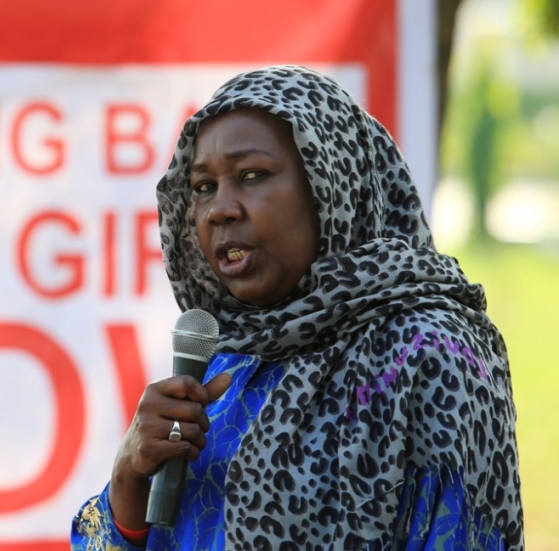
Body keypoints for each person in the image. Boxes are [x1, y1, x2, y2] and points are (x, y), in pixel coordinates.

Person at [70, 65, 523, 550]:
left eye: (252, 176)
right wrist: (128, 485)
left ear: (332, 185)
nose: (219, 209)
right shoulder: (225, 362)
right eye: (203, 186)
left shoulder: (431, 355)